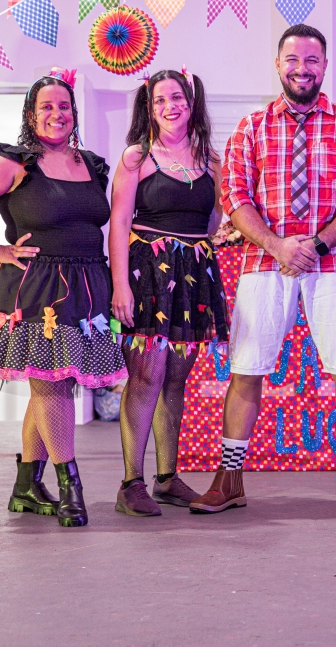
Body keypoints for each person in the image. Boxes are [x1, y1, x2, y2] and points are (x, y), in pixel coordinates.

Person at [190, 23, 336, 514]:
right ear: (278, 64)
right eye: (292, 59)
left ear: (324, 65)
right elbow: (234, 195)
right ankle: (228, 479)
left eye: (311, 60)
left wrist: (319, 244)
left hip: (335, 262)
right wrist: (276, 245)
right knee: (246, 369)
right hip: (264, 261)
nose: (301, 69)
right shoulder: (251, 127)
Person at [0, 71, 127, 528]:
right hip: (37, 288)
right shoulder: (15, 162)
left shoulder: (92, 165)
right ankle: (71, 487)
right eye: (46, 106)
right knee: (52, 383)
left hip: (87, 286)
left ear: (74, 113)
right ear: (31, 115)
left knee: (51, 384)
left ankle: (26, 486)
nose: (56, 114)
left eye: (63, 106)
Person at [108, 68, 229, 517]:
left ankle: (167, 478)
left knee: (176, 378)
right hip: (148, 274)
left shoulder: (211, 159)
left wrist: (193, 251)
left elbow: (214, 220)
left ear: (191, 102)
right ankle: (131, 483)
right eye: (159, 100)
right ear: (149, 108)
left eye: (176, 97)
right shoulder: (137, 157)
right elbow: (119, 222)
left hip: (193, 274)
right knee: (145, 376)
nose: (169, 107)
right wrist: (120, 284)